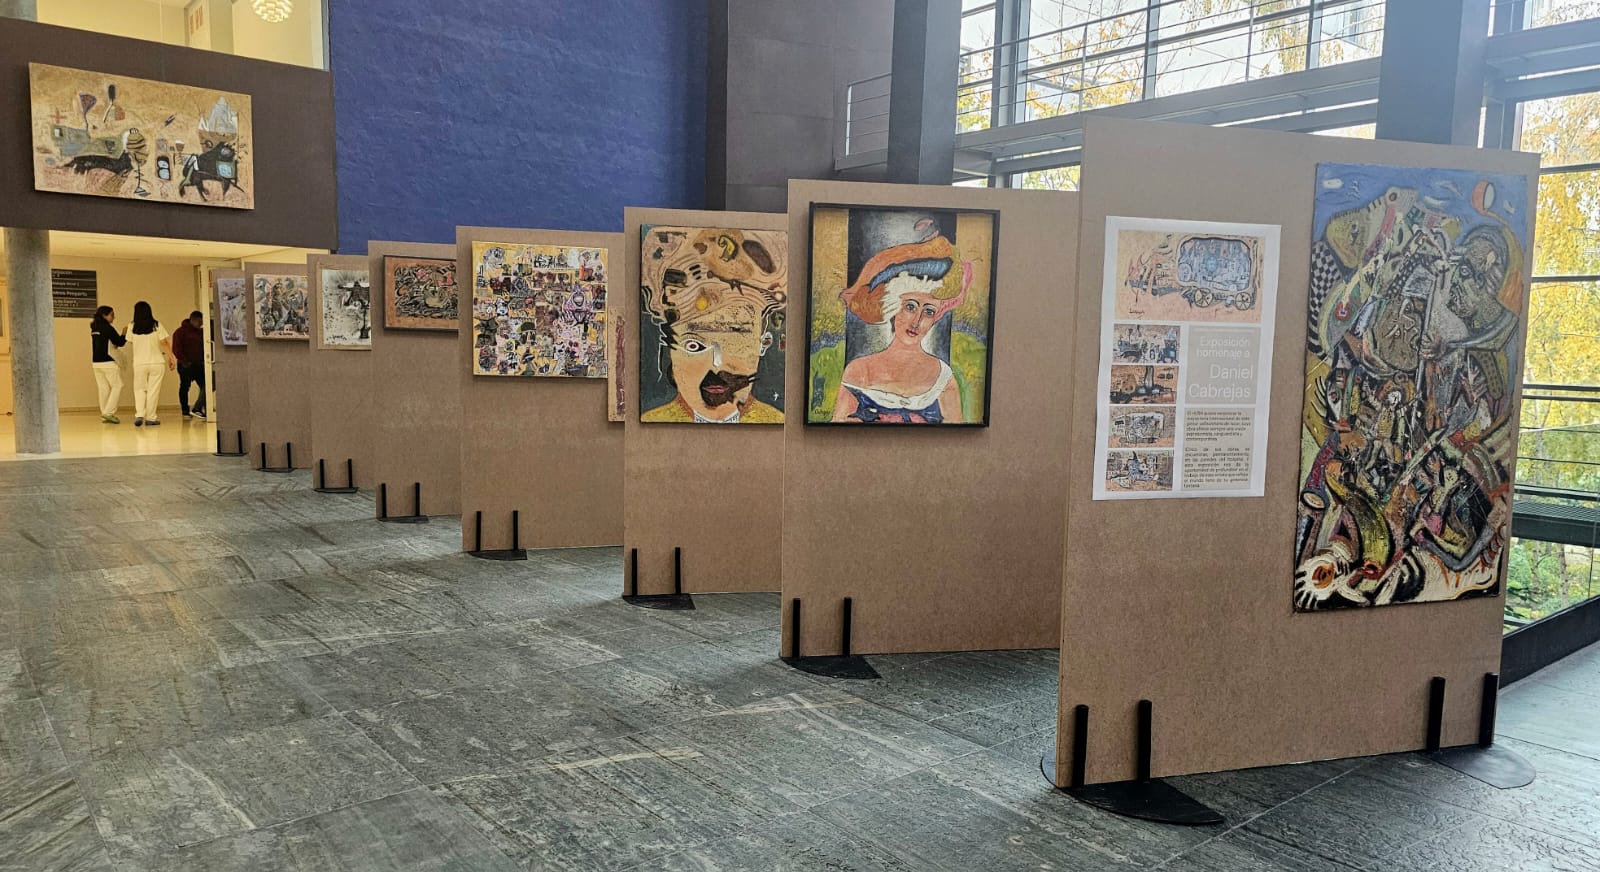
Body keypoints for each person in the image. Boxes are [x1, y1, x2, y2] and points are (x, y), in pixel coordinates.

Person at [832, 221, 972, 424]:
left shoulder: (943, 377)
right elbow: (837, 434)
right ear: (893, 308)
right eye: (910, 307)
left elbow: (955, 437)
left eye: (928, 312)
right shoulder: (860, 371)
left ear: (935, 318)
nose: (917, 321)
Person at [126, 301, 175, 427]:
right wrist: (171, 357)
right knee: (154, 390)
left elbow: (130, 341)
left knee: (139, 389)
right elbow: (164, 342)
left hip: (139, 363)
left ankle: (139, 414)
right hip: (157, 362)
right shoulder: (156, 325)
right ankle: (151, 417)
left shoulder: (131, 326)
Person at [89, 306, 126, 424]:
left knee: (103, 387)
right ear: (104, 315)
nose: (114, 317)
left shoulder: (94, 328)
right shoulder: (107, 327)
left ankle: (104, 413)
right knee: (118, 385)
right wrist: (124, 333)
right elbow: (119, 342)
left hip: (96, 363)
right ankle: (108, 413)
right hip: (108, 362)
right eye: (112, 315)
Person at [172, 310, 207, 419]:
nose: (201, 324)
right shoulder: (180, 332)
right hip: (185, 365)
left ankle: (198, 408)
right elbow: (176, 349)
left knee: (206, 385)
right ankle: (185, 410)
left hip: (199, 364)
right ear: (193, 320)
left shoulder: (201, 332)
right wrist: (185, 361)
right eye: (199, 322)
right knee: (185, 387)